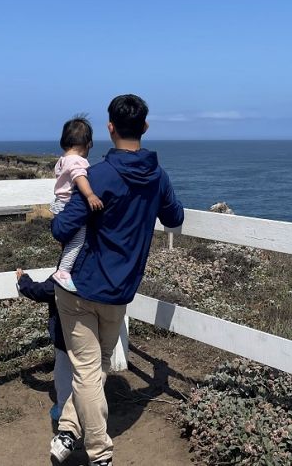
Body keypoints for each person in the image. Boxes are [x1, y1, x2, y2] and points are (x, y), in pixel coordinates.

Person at [49, 94, 184, 466]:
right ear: (145, 127)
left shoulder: (98, 175)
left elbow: (62, 229)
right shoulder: (157, 177)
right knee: (97, 366)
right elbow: (174, 218)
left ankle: (99, 453)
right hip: (119, 290)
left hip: (79, 287)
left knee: (87, 369)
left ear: (110, 128)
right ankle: (69, 430)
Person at [51, 115, 104, 292]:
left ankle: (64, 266)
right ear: (87, 144)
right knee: (78, 241)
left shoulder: (62, 160)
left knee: (69, 239)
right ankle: (63, 272)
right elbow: (79, 176)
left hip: (58, 204)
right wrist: (90, 195)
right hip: (68, 204)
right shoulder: (78, 161)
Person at [15, 268, 72, 422]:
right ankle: (91, 410)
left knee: (64, 374)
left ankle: (65, 411)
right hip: (93, 332)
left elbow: (44, 291)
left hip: (65, 333)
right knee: (88, 373)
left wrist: (24, 281)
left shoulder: (70, 268)